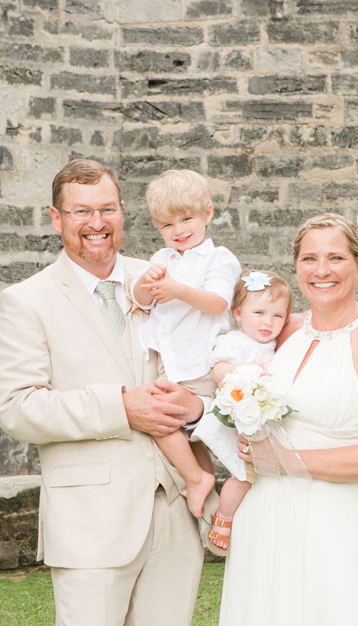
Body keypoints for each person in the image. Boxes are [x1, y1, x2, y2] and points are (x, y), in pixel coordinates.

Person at [0, 159, 208, 626]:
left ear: (122, 211)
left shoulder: (159, 280)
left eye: (107, 208)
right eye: (81, 211)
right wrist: (119, 407)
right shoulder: (29, 300)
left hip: (174, 511)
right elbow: (17, 407)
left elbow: (206, 370)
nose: (96, 221)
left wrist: (197, 407)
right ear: (56, 217)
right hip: (90, 520)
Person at [211, 213, 358, 626]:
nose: (323, 270)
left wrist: (284, 461)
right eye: (310, 258)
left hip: (331, 518)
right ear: (296, 267)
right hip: (264, 516)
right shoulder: (285, 331)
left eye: (336, 257)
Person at [130, 169, 242, 519]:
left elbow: (218, 303)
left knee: (164, 422)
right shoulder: (161, 260)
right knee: (189, 436)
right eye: (167, 225)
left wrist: (177, 290)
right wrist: (143, 284)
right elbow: (141, 301)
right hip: (168, 361)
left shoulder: (219, 258)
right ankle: (204, 485)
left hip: (199, 359)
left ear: (207, 214)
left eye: (186, 219)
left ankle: (196, 479)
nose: (178, 231)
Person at [192, 269, 292, 554]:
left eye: (277, 316)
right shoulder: (236, 341)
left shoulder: (273, 344)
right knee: (244, 474)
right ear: (238, 313)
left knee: (260, 474)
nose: (267, 322)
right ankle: (223, 518)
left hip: (261, 418)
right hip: (236, 418)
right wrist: (246, 375)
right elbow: (220, 370)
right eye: (258, 312)